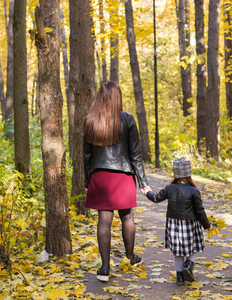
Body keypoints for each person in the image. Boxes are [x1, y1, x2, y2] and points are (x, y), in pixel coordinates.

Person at [83, 81, 151, 282]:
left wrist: (87, 181)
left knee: (104, 221)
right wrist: (143, 182)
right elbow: (135, 155)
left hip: (100, 176)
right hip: (123, 176)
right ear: (117, 97)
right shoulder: (128, 119)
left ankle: (104, 268)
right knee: (127, 218)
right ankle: (130, 258)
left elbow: (86, 156)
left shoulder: (90, 121)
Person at [144, 157, 212, 286]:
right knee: (195, 247)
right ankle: (188, 264)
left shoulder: (170, 188)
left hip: (173, 224)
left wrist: (147, 192)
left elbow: (157, 198)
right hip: (190, 225)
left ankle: (180, 277)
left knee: (177, 251)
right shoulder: (193, 191)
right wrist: (207, 225)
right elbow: (200, 211)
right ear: (188, 173)